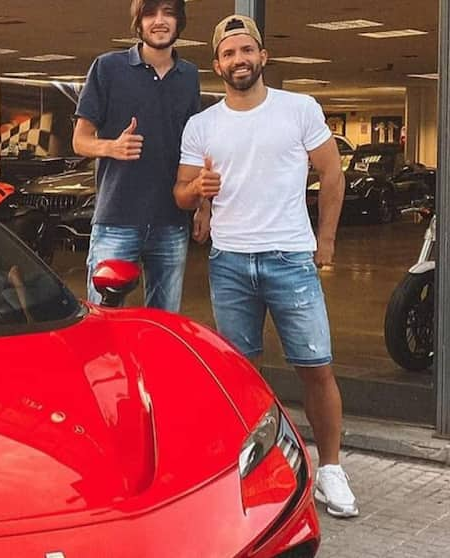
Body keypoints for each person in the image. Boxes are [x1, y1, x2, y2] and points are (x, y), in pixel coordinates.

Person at [173, 15, 357, 518]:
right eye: (229, 54)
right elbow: (181, 193)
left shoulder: (299, 109)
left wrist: (327, 241)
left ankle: (332, 471)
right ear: (217, 64)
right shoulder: (202, 124)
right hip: (229, 263)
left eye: (246, 50)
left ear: (263, 56)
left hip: (290, 259)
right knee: (241, 374)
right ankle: (255, 470)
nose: (239, 60)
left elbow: (332, 174)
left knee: (315, 366)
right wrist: (198, 193)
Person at [72, 0, 201, 310]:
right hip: (116, 219)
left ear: (179, 21)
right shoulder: (107, 67)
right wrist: (110, 147)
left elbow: (194, 151)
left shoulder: (189, 76)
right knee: (102, 318)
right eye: (150, 13)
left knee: (164, 320)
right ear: (138, 22)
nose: (160, 21)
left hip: (171, 222)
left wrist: (202, 206)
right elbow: (80, 141)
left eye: (168, 12)